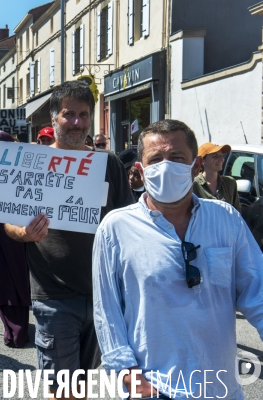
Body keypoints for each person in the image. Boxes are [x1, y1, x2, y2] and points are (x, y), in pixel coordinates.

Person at [92, 119, 263, 399]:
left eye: (176, 157)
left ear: (195, 166)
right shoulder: (116, 228)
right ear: (140, 170)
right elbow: (106, 311)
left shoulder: (226, 219)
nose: (166, 166)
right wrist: (128, 374)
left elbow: (258, 290)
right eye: (155, 159)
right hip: (154, 389)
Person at [4, 81, 133, 398]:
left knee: (85, 384)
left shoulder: (109, 164)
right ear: (53, 118)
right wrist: (24, 233)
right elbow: (8, 222)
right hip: (54, 296)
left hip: (103, 296)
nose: (77, 122)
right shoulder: (32, 161)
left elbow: (128, 222)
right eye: (69, 114)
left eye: (84, 115)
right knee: (63, 389)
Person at [0, 131, 31, 348]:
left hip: (17, 235)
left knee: (16, 278)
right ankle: (11, 327)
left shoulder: (23, 169)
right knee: (0, 280)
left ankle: (17, 331)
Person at [193, 142, 241, 211]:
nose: (221, 159)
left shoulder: (230, 183)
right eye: (215, 156)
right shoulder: (193, 185)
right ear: (202, 160)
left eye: (221, 155)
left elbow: (237, 213)